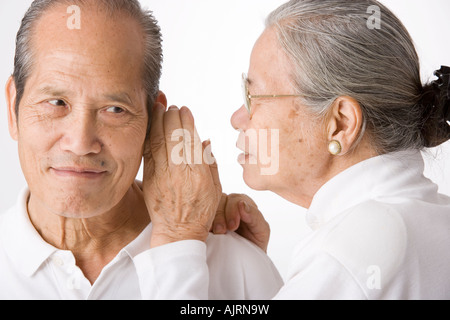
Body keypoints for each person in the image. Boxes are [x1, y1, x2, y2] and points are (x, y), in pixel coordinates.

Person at [144, 0, 450, 299]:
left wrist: (177, 240)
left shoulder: (347, 256)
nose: (237, 118)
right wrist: (247, 276)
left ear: (341, 123)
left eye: (254, 96)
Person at [0, 0, 283, 299]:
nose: (80, 143)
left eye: (115, 109)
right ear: (13, 108)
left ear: (153, 122)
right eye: (56, 103)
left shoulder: (238, 267)